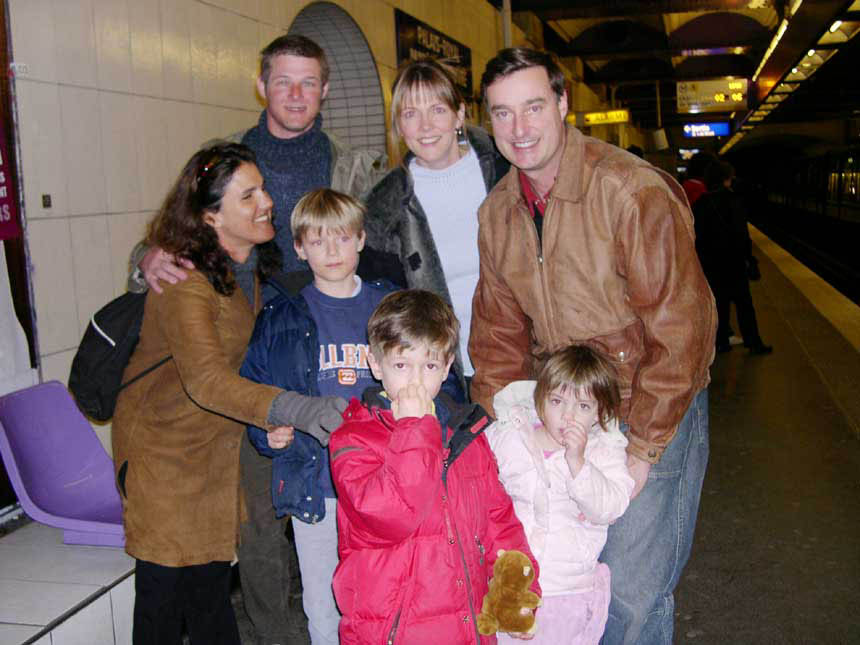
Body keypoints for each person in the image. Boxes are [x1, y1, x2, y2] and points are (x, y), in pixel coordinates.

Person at [125, 35, 387, 644]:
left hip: (298, 376)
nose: (296, 95)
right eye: (283, 81)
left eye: (309, 83)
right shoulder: (224, 170)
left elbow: (387, 256)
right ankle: (278, 634)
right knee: (248, 538)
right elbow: (173, 236)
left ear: (325, 91)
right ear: (261, 85)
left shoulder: (353, 169)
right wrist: (149, 257)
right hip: (227, 397)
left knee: (238, 564)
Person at [470, 48, 716, 645]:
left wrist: (643, 450)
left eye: (532, 107)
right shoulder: (498, 213)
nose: (519, 129)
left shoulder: (630, 192)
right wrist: (503, 429)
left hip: (648, 407)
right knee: (570, 584)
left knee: (631, 593)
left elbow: (681, 331)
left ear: (561, 103)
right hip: (561, 417)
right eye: (502, 115)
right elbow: (499, 339)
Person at [112, 143, 349, 645]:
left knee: (209, 593)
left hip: (216, 450)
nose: (266, 202)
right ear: (210, 217)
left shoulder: (254, 267)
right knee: (162, 598)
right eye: (249, 196)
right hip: (167, 456)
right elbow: (205, 379)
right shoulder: (185, 281)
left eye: (262, 188)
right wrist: (292, 408)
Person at [329, 290, 540, 644]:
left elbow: (498, 520)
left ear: (445, 369)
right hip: (396, 632)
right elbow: (391, 515)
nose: (415, 381)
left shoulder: (466, 435)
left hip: (465, 626)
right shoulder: (354, 441)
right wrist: (414, 429)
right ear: (375, 364)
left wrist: (514, 592)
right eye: (401, 365)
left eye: (429, 366)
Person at [240, 188, 396, 644]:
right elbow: (255, 387)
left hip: (379, 480)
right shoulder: (280, 314)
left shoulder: (389, 307)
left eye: (343, 238)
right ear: (300, 247)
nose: (332, 251)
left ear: (362, 240)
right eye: (318, 240)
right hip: (315, 483)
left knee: (381, 589)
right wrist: (264, 431)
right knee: (322, 600)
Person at [364, 58, 509, 394]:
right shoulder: (384, 206)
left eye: (437, 110)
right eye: (411, 114)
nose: (425, 126)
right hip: (441, 378)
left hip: (521, 360)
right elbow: (384, 305)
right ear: (399, 126)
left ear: (459, 114)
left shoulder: (503, 171)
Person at [486, 345, 634, 644]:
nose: (568, 416)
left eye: (583, 406)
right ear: (540, 400)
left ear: (600, 412)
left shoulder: (604, 451)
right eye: (557, 401)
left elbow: (610, 507)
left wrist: (579, 464)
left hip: (570, 592)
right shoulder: (510, 437)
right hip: (511, 586)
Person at [694, 160, 772, 355]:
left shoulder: (701, 203)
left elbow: (697, 236)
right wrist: (749, 258)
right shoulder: (733, 200)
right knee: (744, 304)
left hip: (711, 262)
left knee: (719, 303)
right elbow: (741, 235)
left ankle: (721, 342)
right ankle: (753, 342)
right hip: (734, 261)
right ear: (727, 179)